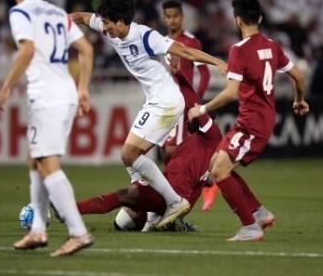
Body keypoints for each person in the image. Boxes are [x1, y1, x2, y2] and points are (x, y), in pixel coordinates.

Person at [70, 0, 226, 230]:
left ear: (122, 22)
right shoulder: (107, 26)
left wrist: (216, 61)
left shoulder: (145, 37)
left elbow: (183, 51)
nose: (105, 29)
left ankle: (174, 202)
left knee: (128, 154)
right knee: (132, 158)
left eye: (109, 24)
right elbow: (80, 16)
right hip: (154, 101)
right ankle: (153, 211)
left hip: (167, 101)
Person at [75, 73, 275, 231]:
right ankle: (158, 221)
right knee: (124, 214)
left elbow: (192, 101)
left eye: (194, 114)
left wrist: (179, 76)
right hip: (168, 197)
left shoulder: (211, 135)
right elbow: (195, 187)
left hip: (168, 198)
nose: (190, 114)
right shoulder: (197, 146)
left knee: (123, 197)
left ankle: (71, 210)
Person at [189, 0, 309, 241]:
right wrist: (299, 99)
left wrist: (201, 109)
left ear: (237, 20)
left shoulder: (239, 50)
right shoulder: (272, 45)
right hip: (259, 119)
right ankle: (259, 212)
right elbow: (299, 76)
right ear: (260, 18)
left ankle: (250, 227)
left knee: (220, 171)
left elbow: (231, 93)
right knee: (216, 165)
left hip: (252, 123)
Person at [0, 0, 94, 257]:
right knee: (34, 159)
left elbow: (26, 49)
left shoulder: (20, 11)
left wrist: (6, 85)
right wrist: (83, 88)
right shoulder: (57, 12)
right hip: (64, 92)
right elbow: (87, 49)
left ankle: (78, 232)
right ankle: (38, 229)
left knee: (47, 162)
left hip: (47, 97)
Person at [161, 0, 217, 212]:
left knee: (175, 151)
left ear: (182, 17)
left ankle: (185, 193)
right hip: (165, 104)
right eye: (168, 16)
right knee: (167, 154)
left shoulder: (191, 42)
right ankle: (181, 192)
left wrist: (196, 100)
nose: (172, 20)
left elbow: (204, 73)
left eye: (175, 16)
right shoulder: (161, 42)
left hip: (185, 104)